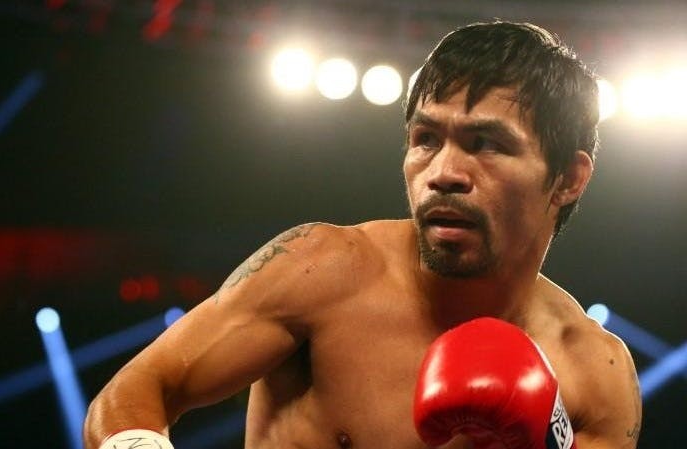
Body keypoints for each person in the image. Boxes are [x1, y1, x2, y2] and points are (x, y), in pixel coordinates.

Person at [84, 21, 641, 449]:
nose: (443, 172)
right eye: (426, 139)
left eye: (487, 144)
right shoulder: (322, 268)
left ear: (568, 178)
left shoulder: (595, 375)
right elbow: (136, 391)